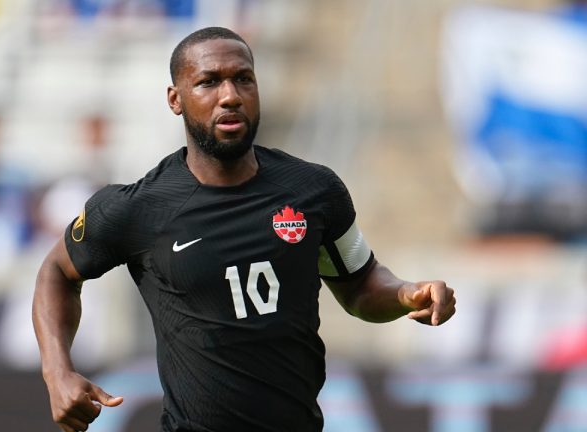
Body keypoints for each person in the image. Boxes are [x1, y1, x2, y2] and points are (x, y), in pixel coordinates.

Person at [33, 26, 457, 432]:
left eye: (243, 79)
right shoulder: (137, 208)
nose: (230, 96)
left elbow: (361, 284)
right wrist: (57, 372)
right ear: (175, 99)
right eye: (209, 82)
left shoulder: (314, 190)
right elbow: (56, 272)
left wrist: (406, 293)